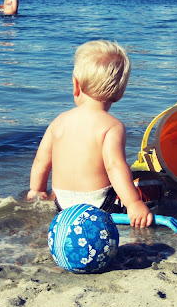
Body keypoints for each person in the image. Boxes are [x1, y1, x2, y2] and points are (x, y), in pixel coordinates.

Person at [27, 40, 153, 228]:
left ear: (76, 85)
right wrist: (134, 203)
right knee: (151, 185)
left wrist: (36, 191)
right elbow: (114, 167)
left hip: (61, 204)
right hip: (99, 204)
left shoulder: (59, 121)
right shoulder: (113, 126)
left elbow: (41, 161)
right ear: (120, 93)